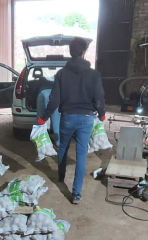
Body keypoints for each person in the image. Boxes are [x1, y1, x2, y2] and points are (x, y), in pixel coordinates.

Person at [37, 37, 106, 204]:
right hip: (86, 119)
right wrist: (102, 113)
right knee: (81, 154)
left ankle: (61, 176)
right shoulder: (94, 74)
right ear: (83, 52)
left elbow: (54, 100)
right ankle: (76, 194)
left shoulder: (61, 74)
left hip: (67, 118)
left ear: (70, 52)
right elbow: (99, 98)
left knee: (63, 147)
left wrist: (43, 118)